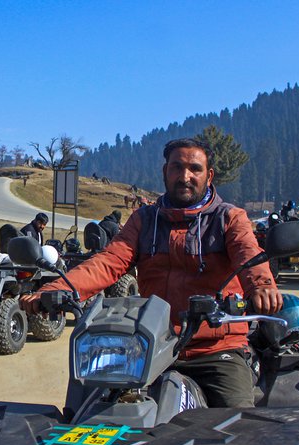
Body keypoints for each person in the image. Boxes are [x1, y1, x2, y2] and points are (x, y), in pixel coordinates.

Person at [21, 138, 281, 408]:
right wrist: (55, 290)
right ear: (165, 171)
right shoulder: (145, 219)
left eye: (195, 168)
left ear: (209, 175)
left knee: (236, 423)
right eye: (177, 167)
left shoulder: (229, 218)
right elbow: (109, 261)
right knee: (94, 410)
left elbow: (248, 254)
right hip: (152, 345)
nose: (185, 176)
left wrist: (261, 287)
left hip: (216, 349)